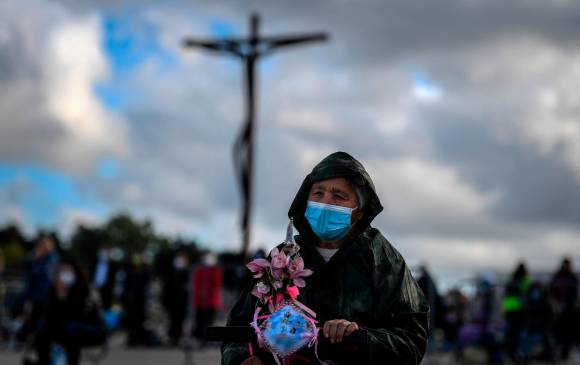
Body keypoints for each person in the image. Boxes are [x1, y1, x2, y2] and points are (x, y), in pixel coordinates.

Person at [222, 151, 429, 365]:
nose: (325, 202)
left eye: (339, 196)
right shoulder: (282, 258)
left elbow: (412, 341)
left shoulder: (383, 260)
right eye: (318, 193)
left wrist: (360, 338)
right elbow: (236, 331)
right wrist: (242, 359)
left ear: (359, 211)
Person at [33, 257, 105, 365]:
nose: (65, 274)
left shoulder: (84, 290)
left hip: (88, 328)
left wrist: (64, 297)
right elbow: (50, 315)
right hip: (63, 328)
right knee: (42, 328)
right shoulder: (54, 290)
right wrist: (60, 296)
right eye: (62, 271)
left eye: (68, 270)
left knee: (70, 329)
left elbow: (77, 315)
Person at [549, 257, 578, 361]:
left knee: (568, 332)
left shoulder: (572, 277)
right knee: (559, 332)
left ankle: (565, 352)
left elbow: (575, 294)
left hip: (569, 310)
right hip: (558, 309)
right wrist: (556, 304)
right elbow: (551, 292)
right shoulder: (557, 276)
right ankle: (559, 352)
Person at [192, 252, 223, 344]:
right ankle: (200, 338)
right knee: (200, 320)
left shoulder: (216, 271)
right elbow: (196, 284)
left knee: (209, 321)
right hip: (200, 301)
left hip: (211, 301)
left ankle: (207, 339)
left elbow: (216, 284)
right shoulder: (200, 271)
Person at [161, 251, 191, 346]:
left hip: (181, 302)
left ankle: (177, 338)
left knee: (179, 321)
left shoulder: (187, 273)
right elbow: (166, 288)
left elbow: (187, 289)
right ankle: (172, 338)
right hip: (171, 302)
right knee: (171, 320)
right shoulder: (170, 273)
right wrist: (164, 301)